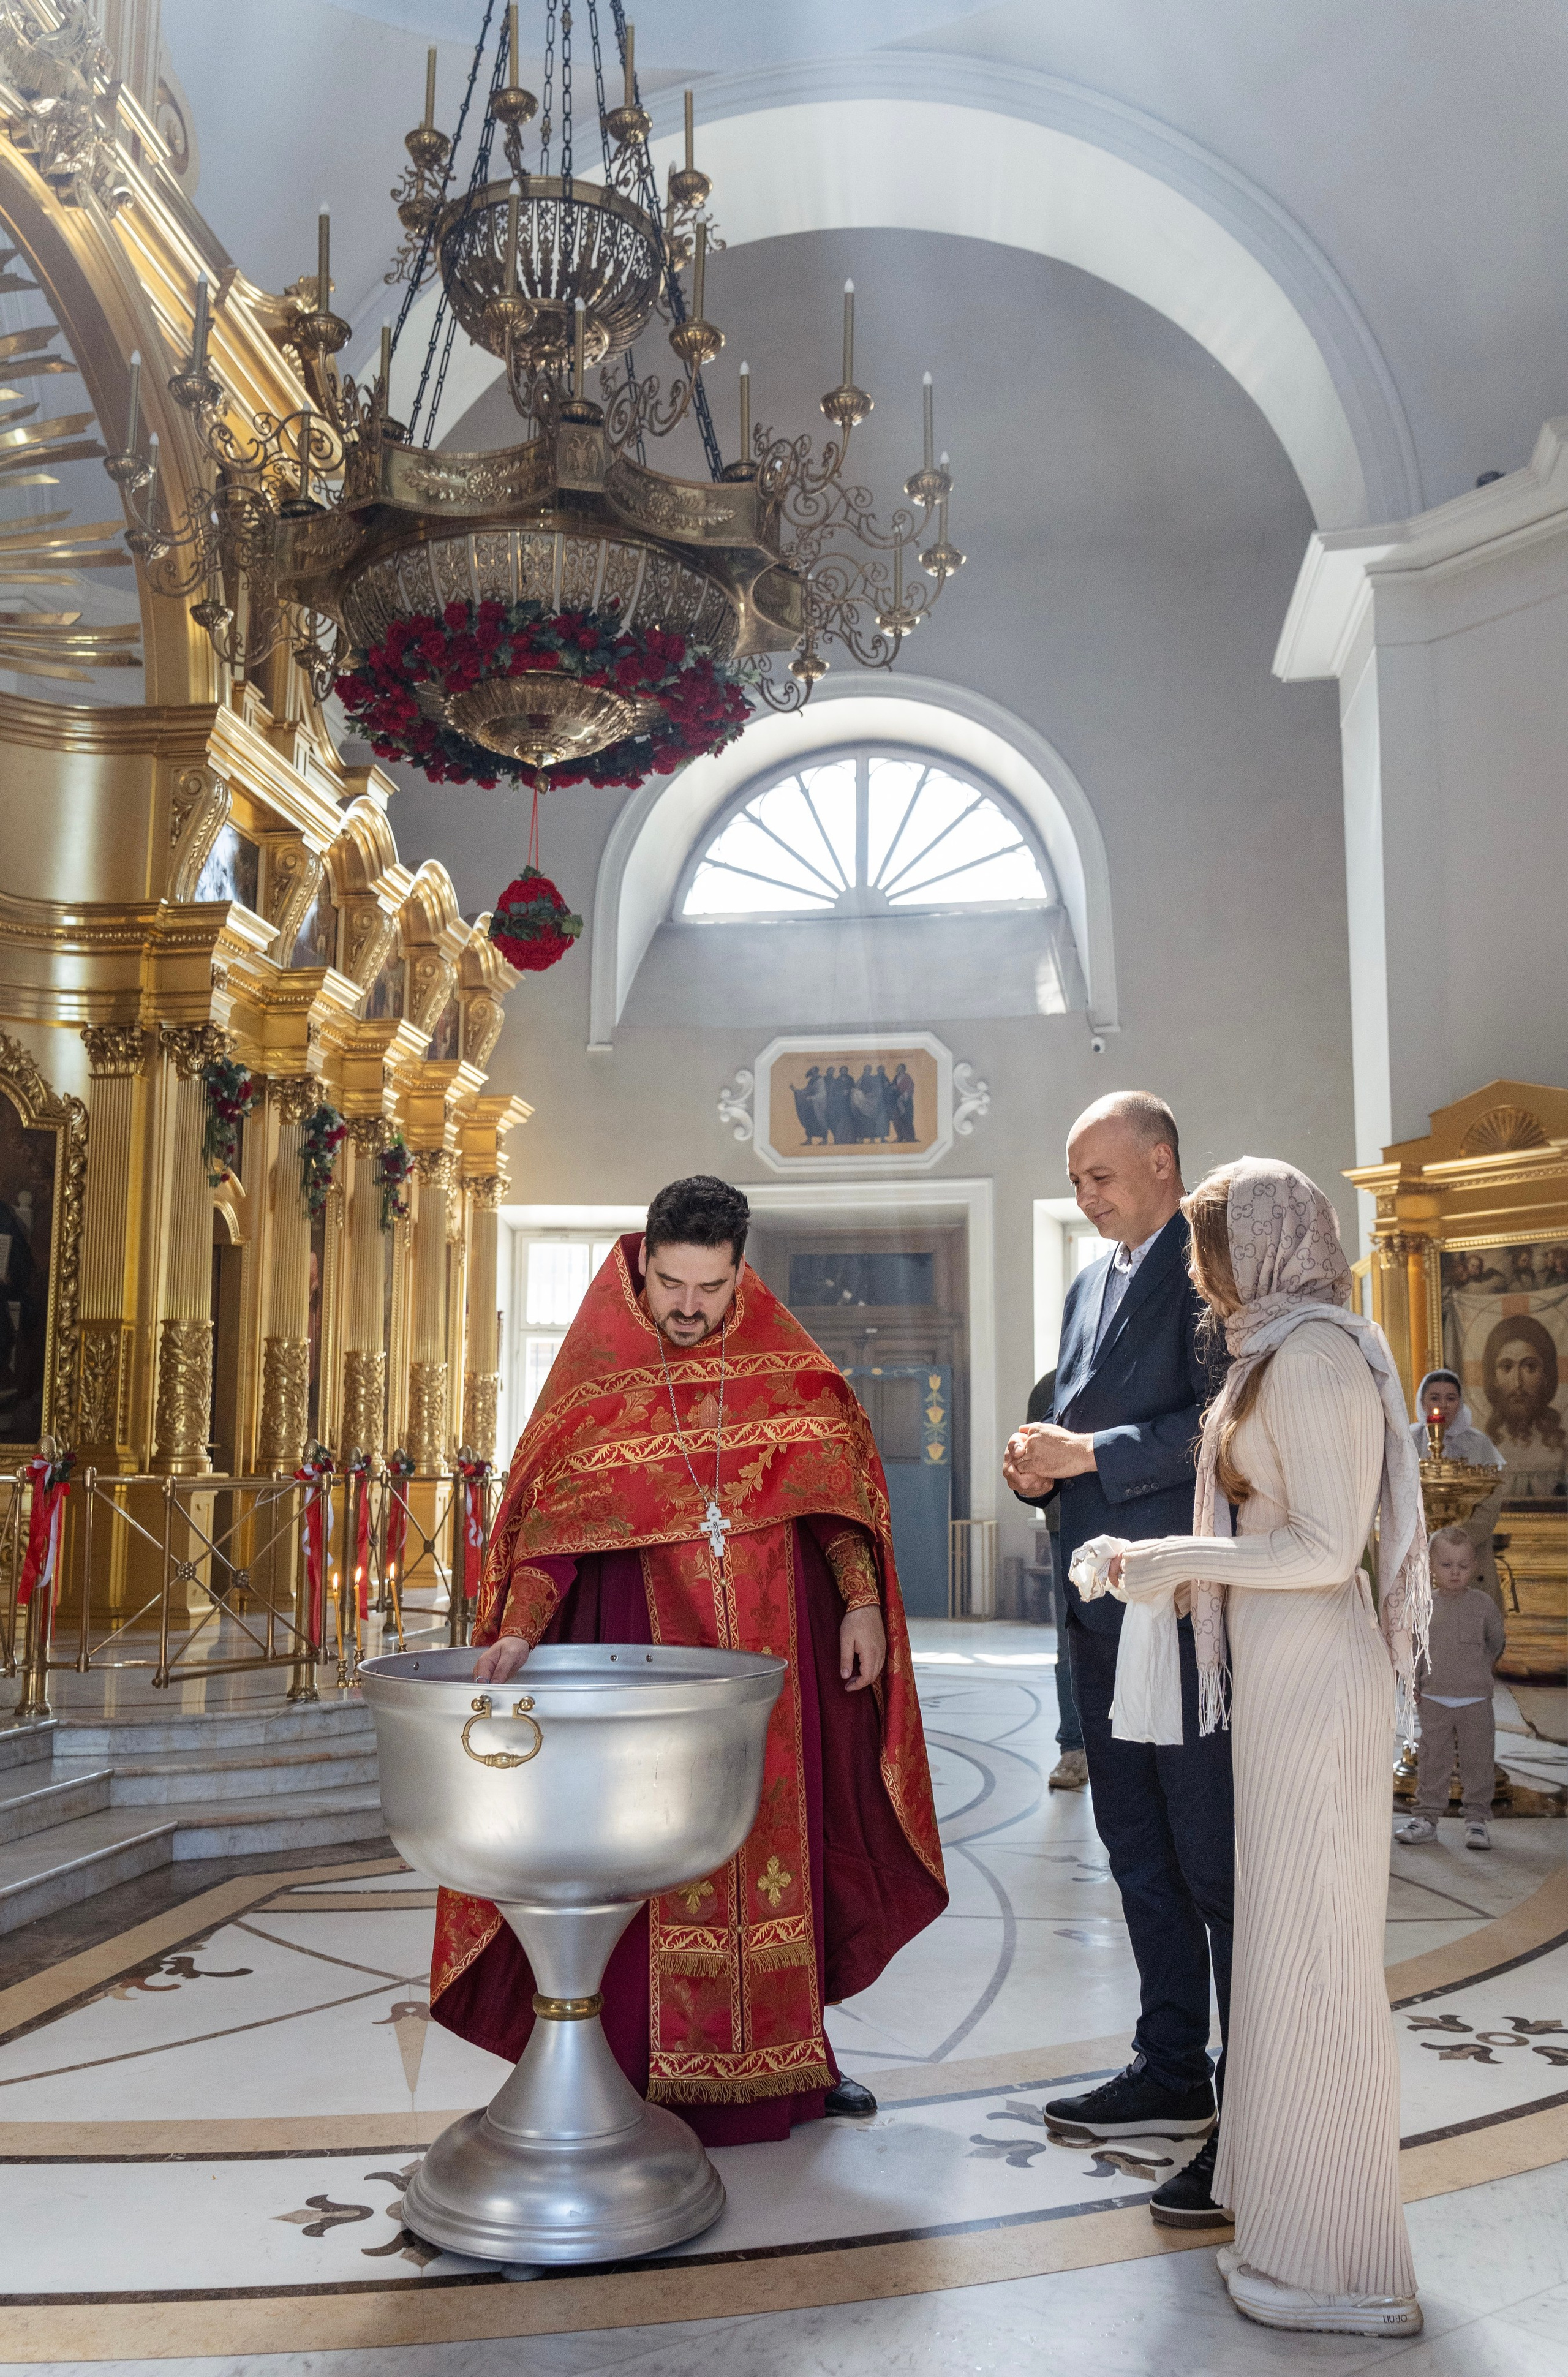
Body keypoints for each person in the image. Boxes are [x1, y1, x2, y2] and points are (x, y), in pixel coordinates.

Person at [431, 1176, 947, 2144]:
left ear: (739, 1273)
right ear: (643, 1266)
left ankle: (794, 2066)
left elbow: (834, 1494)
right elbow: (552, 1531)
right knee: (651, 1853)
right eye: (671, 1284)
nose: (689, 1306)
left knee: (778, 1853)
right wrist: (519, 1630)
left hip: (777, 1660)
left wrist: (862, 1603)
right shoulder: (597, 1386)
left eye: (710, 1287)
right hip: (644, 1670)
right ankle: (632, 2063)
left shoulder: (788, 1369)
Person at [1099, 1158, 1429, 2338]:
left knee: (1319, 1974)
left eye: (1213, 1248)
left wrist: (1170, 1560)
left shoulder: (1321, 1357)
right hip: (1279, 1688)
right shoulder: (1272, 1352)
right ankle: (1291, 2225)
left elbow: (1326, 1550)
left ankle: (1354, 2272)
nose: (1201, 1274)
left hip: (1319, 1688)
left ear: (1270, 1243)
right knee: (1284, 1966)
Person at [1001, 1091, 1231, 2231]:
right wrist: (1038, 1468)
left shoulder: (1214, 1269)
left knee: (1210, 1857)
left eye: (1100, 1176)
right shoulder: (1089, 1283)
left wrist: (1087, 1451)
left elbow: (1225, 1427)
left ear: (1162, 1161)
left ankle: (1254, 2102)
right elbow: (1078, 1422)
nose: (1086, 1197)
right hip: (1100, 1610)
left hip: (1183, 1609)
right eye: (1076, 1180)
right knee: (1135, 1844)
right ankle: (1170, 2064)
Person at [1395, 1525, 1505, 1851]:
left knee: (1478, 1760)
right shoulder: (1423, 1605)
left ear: (1474, 1566)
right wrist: (1414, 1683)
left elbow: (1496, 1643)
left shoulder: (1483, 1605)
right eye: (1446, 1565)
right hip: (1434, 1698)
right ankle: (1426, 1818)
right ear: (1432, 1565)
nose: (1455, 1572)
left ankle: (1477, 1820)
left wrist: (1477, 1671)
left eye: (1463, 1565)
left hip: (1475, 1699)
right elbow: (1416, 1649)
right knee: (1433, 1760)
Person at [1014, 1366, 1085, 1788]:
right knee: (1069, 1642)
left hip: (1128, 1526)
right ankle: (1073, 1748)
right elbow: (1032, 1468)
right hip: (1067, 1530)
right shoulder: (1048, 1386)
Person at [1409, 1368, 1505, 1606]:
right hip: (1417, 1548)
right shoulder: (1407, 1440)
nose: (1443, 1405)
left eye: (1451, 1398)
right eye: (1435, 1398)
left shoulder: (1479, 1444)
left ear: (1460, 1403)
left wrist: (1456, 1543)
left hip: (1469, 1552)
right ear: (1422, 1402)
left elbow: (1490, 1502)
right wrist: (1424, 1539)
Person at [1481, 1314, 1567, 1499]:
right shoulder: (1482, 1445)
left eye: (1530, 1367)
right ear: (1493, 1378)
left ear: (1546, 1376)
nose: (1518, 1383)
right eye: (1507, 1367)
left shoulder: (1562, 1447)